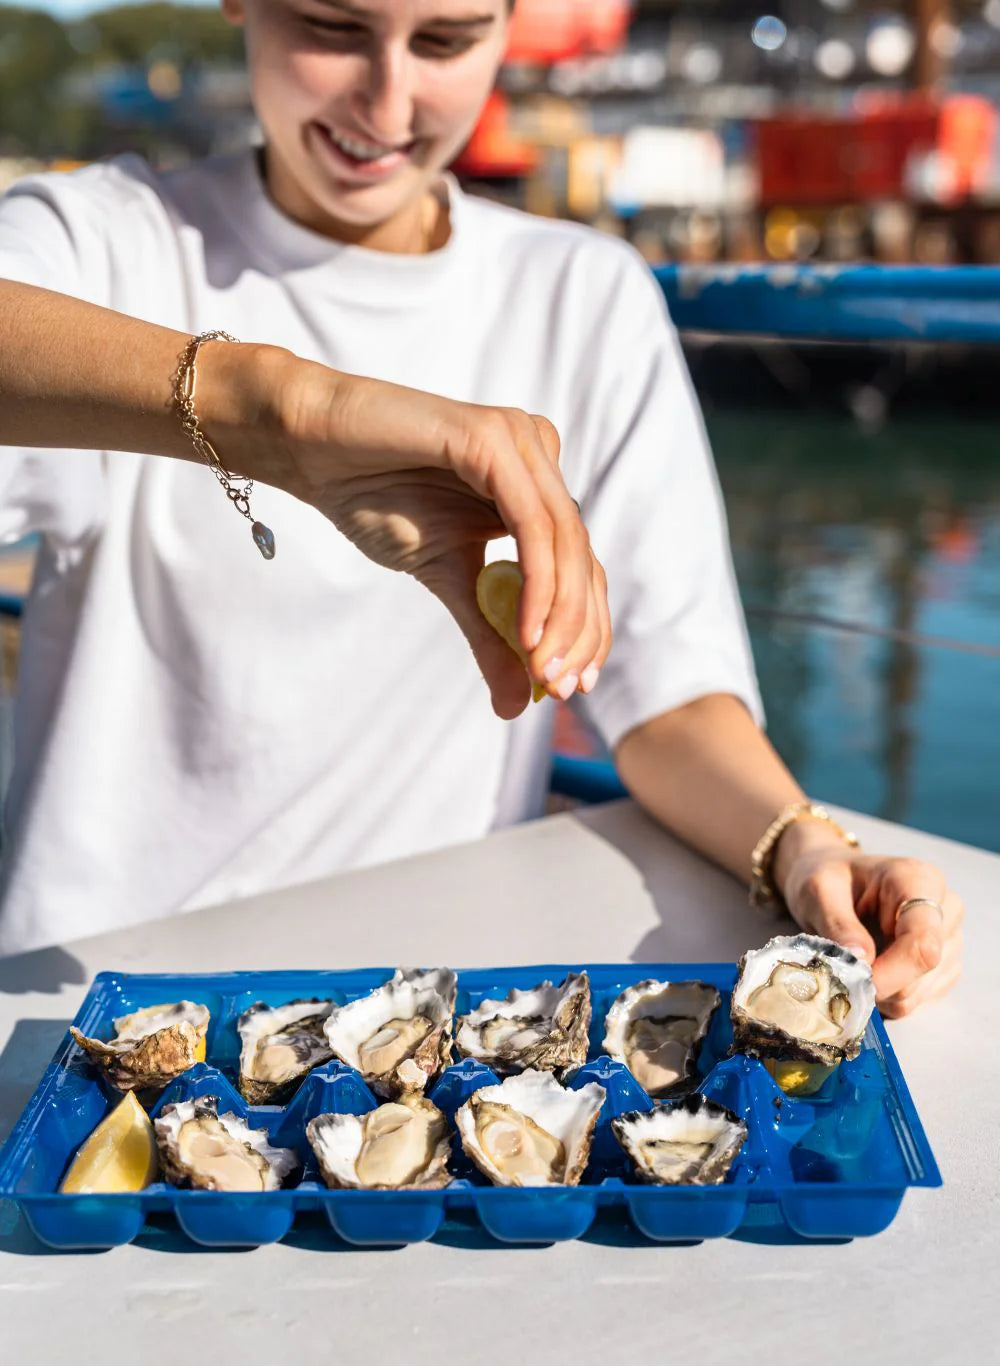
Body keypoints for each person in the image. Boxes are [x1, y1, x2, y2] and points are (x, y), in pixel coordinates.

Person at [0, 0, 962, 1013]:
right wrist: (276, 410)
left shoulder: (583, 296)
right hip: (84, 1001)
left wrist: (800, 843)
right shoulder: (103, 246)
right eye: (333, 29)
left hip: (423, 1009)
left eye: (446, 40)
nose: (389, 97)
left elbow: (665, 691)